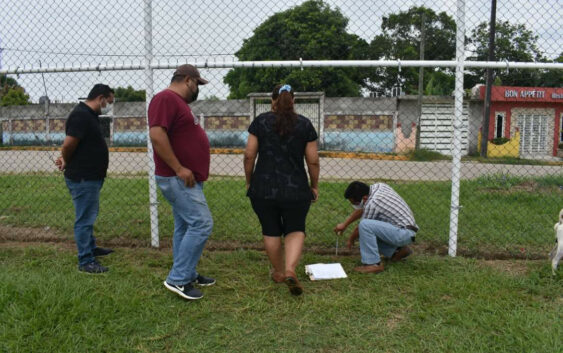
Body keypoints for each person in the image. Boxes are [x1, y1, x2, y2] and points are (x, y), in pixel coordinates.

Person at [244, 84, 320, 296]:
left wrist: (250, 182)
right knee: (295, 228)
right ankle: (290, 270)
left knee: (271, 230)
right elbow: (313, 161)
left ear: (272, 100)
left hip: (263, 188)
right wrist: (314, 186)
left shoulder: (260, 122)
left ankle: (278, 272)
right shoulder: (304, 125)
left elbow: (249, 155)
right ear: (293, 100)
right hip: (296, 189)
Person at [148, 64, 215, 301]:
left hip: (186, 178)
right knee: (202, 223)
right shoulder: (165, 99)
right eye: (197, 84)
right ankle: (177, 279)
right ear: (188, 80)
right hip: (176, 177)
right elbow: (157, 135)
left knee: (185, 226)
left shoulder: (178, 104)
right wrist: (178, 168)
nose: (198, 89)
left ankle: (187, 272)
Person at [55, 84, 115, 274]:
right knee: (85, 219)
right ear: (100, 98)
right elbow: (68, 144)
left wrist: (66, 159)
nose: (109, 106)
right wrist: (66, 158)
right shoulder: (81, 115)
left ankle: (91, 248)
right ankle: (85, 260)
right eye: (109, 102)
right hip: (83, 177)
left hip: (91, 176)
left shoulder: (90, 116)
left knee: (89, 214)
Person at [334, 181, 417, 274]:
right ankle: (398, 251)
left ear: (364, 198)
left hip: (403, 233)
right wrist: (345, 224)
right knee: (368, 230)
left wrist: (351, 239)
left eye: (355, 203)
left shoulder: (373, 203)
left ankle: (373, 264)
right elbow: (362, 208)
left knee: (365, 226)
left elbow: (360, 227)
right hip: (407, 229)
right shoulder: (378, 186)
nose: (354, 205)